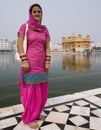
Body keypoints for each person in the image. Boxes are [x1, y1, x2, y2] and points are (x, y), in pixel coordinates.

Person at [17, 3, 51, 129]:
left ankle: (36, 113)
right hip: (29, 65)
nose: (37, 13)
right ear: (30, 13)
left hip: (42, 65)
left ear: (42, 14)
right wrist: (24, 60)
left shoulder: (45, 30)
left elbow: (47, 47)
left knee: (41, 91)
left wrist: (48, 61)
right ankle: (29, 117)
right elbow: (20, 44)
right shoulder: (25, 27)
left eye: (39, 11)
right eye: (34, 11)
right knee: (30, 91)